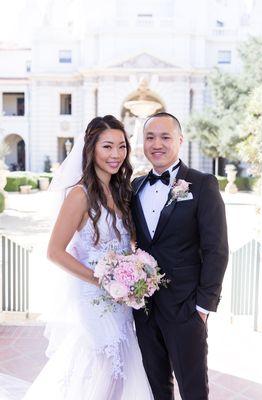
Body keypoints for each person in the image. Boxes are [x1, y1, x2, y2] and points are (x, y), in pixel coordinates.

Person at [0, 115, 153, 400]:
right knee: (104, 365)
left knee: (121, 368)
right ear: (91, 148)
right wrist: (102, 279)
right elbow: (54, 252)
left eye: (121, 147)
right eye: (107, 146)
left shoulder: (120, 192)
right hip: (93, 297)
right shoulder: (79, 195)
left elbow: (126, 242)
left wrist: (135, 271)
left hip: (120, 298)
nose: (116, 154)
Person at [132, 112, 229, 400]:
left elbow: (217, 249)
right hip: (144, 310)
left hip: (186, 309)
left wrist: (203, 307)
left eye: (165, 137)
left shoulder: (202, 184)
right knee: (156, 389)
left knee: (193, 390)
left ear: (180, 141)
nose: (156, 144)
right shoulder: (135, 186)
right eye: (150, 137)